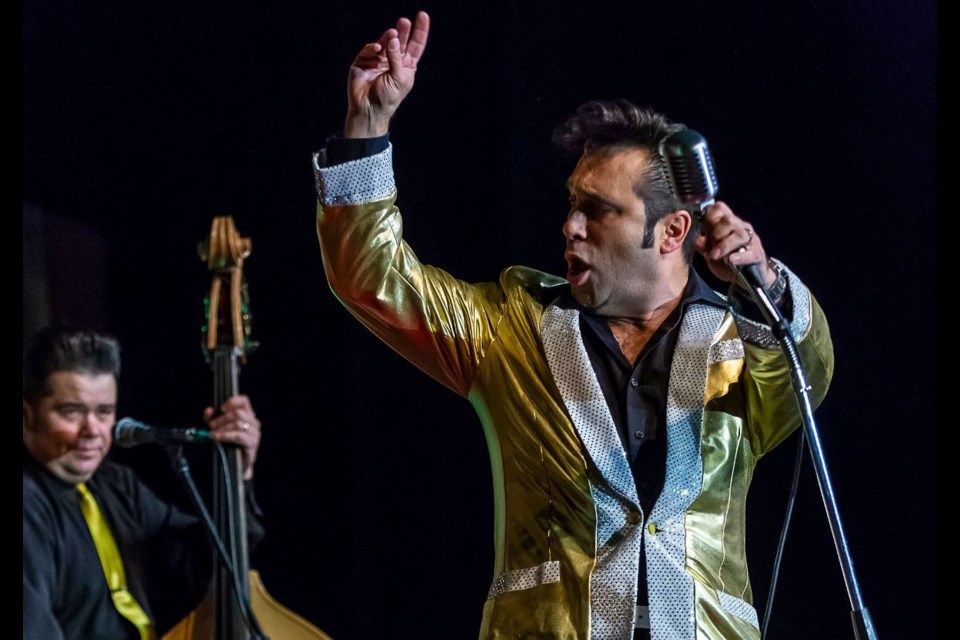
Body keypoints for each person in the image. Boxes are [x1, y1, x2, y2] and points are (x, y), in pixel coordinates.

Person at [312, 11, 834, 640]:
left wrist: (766, 287)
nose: (571, 226)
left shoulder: (739, 343)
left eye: (599, 210)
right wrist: (367, 128)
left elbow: (809, 368)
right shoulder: (514, 327)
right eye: (572, 204)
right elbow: (372, 279)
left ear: (672, 232)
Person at [22, 325, 266, 640]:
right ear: (28, 415)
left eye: (104, 412)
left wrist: (240, 472)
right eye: (72, 412)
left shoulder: (115, 483)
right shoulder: (28, 504)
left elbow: (204, 568)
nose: (93, 430)